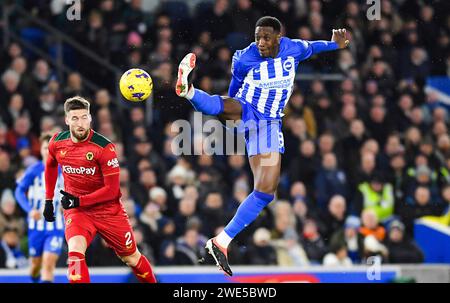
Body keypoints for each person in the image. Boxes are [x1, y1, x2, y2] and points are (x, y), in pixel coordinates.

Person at [175, 16, 349, 276]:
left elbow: (314, 47)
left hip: (268, 125)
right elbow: (234, 88)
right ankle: (188, 91)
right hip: (247, 109)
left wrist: (335, 44)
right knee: (222, 104)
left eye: (266, 37)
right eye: (257, 37)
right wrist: (230, 111)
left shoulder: (293, 48)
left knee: (266, 192)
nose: (261, 42)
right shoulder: (245, 57)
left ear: (278, 37)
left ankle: (221, 242)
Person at [43, 96, 156, 283]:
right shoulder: (57, 143)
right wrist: (48, 200)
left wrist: (78, 200)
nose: (80, 123)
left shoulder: (104, 148)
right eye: (75, 118)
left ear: (90, 118)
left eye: (84, 117)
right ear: (66, 120)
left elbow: (111, 190)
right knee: (74, 253)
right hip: (78, 211)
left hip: (108, 210)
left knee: (131, 257)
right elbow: (51, 166)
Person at [14, 133, 64, 283]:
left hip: (56, 225)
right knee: (35, 266)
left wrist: (67, 205)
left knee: (48, 263)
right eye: (45, 148)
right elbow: (18, 191)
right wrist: (30, 210)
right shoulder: (33, 171)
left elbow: (75, 190)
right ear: (40, 150)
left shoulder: (65, 170)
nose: (48, 151)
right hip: (36, 226)